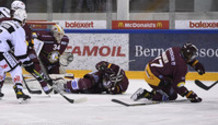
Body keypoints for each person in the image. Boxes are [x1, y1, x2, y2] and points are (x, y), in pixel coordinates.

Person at [131, 42, 205, 103]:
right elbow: (178, 86)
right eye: (191, 56)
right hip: (153, 78)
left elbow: (183, 58)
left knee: (170, 80)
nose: (191, 58)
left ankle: (159, 90)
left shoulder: (176, 49)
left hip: (150, 68)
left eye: (192, 56)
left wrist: (196, 65)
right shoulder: (181, 67)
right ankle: (147, 94)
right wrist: (189, 94)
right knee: (172, 95)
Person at [0, 9, 32, 101]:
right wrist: (28, 63)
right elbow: (20, 52)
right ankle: (19, 91)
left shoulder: (5, 23)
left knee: (1, 68)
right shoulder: (19, 28)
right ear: (22, 19)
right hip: (1, 51)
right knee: (16, 68)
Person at [54, 61, 129, 94]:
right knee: (85, 83)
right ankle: (64, 85)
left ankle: (69, 88)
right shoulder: (113, 68)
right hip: (99, 76)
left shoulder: (124, 84)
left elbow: (117, 91)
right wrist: (101, 66)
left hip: (101, 88)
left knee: (86, 91)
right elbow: (99, 64)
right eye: (111, 77)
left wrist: (113, 90)